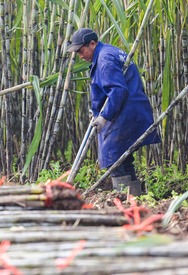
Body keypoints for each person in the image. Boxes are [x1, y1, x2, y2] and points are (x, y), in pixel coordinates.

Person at [67, 28, 160, 195]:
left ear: (92, 44)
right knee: (123, 158)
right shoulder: (109, 51)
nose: (81, 56)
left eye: (82, 51)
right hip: (130, 110)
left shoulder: (104, 58)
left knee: (112, 157)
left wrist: (104, 117)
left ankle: (123, 198)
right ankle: (135, 197)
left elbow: (118, 90)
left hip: (124, 113)